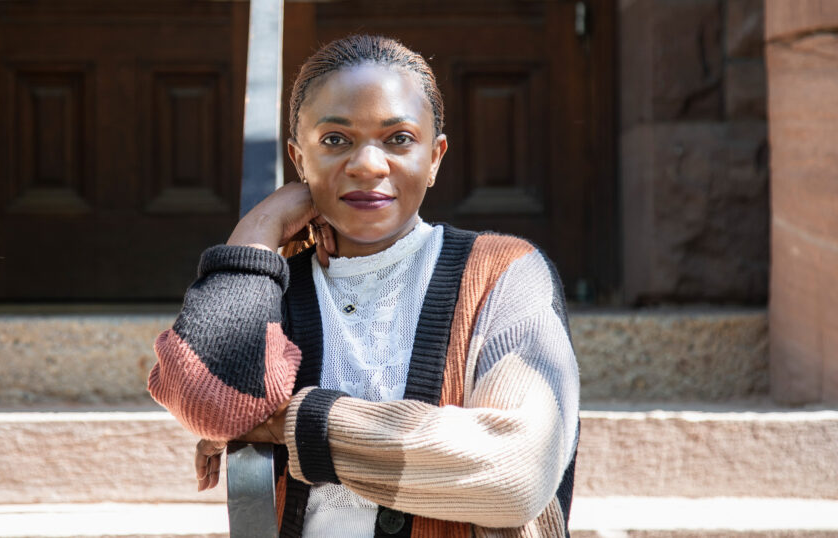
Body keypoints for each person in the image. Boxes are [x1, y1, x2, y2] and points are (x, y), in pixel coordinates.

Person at [147, 34, 580, 538]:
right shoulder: (271, 290)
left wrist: (294, 423)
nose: (368, 165)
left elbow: (514, 473)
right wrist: (259, 231)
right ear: (298, 159)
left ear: (435, 157)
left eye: (398, 138)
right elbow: (209, 405)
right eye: (335, 140)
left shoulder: (504, 273)